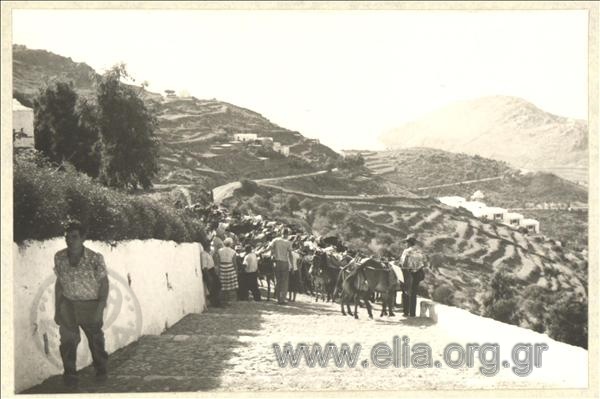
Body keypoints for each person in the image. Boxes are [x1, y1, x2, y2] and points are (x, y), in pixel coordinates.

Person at [53, 220, 109, 387]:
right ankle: (70, 375)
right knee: (68, 342)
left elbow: (104, 284)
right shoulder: (59, 257)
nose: (70, 240)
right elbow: (59, 283)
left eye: (74, 237)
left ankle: (101, 370)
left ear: (83, 238)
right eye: (67, 237)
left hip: (90, 306)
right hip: (68, 305)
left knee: (96, 341)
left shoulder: (95, 258)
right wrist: (57, 308)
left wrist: (100, 308)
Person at [400, 234, 429, 317]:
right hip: (417, 274)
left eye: (406, 243)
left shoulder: (406, 251)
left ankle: (406, 312)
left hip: (408, 274)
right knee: (414, 293)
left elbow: (403, 263)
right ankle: (412, 313)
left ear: (408, 243)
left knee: (405, 292)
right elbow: (425, 263)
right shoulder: (420, 251)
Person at [268, 228, 293, 304]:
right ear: (287, 234)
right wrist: (292, 265)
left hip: (277, 262)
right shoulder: (288, 242)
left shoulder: (276, 240)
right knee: (284, 282)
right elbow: (290, 255)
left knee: (277, 281)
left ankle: (278, 299)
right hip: (284, 262)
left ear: (281, 233)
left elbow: (269, 248)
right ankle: (282, 299)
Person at [217, 237, 239, 304]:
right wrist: (236, 271)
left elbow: (218, 261)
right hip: (230, 267)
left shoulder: (219, 250)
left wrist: (218, 269)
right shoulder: (233, 252)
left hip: (222, 267)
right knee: (229, 285)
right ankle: (228, 300)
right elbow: (234, 263)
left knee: (223, 284)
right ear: (231, 244)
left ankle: (223, 300)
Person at [200, 241, 221, 307]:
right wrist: (208, 276)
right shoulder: (204, 255)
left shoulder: (208, 254)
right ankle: (214, 302)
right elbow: (204, 267)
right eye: (209, 246)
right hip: (209, 272)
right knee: (213, 287)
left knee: (218, 285)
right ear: (206, 247)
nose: (210, 248)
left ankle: (217, 301)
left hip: (212, 271)